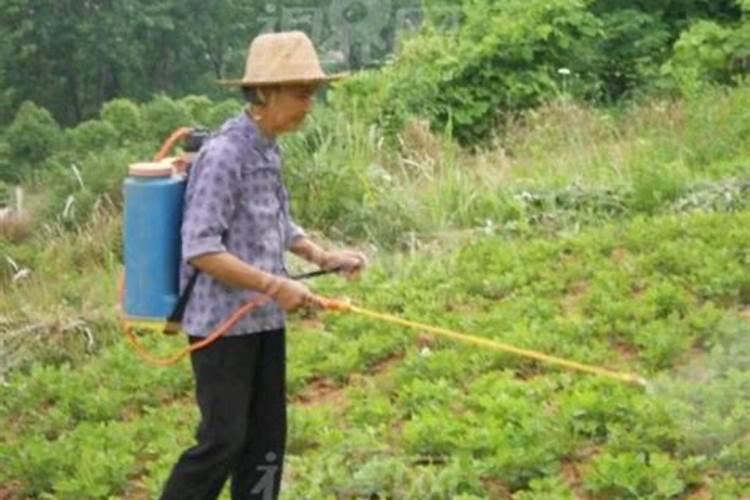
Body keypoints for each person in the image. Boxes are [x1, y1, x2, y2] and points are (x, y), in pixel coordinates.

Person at [160, 31, 368, 500]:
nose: (308, 105)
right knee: (223, 439)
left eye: (311, 94)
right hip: (222, 326)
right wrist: (276, 286)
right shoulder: (224, 154)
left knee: (267, 440)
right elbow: (200, 246)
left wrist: (322, 256)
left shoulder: (267, 148)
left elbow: (275, 221)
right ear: (264, 93)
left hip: (264, 321)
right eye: (300, 94)